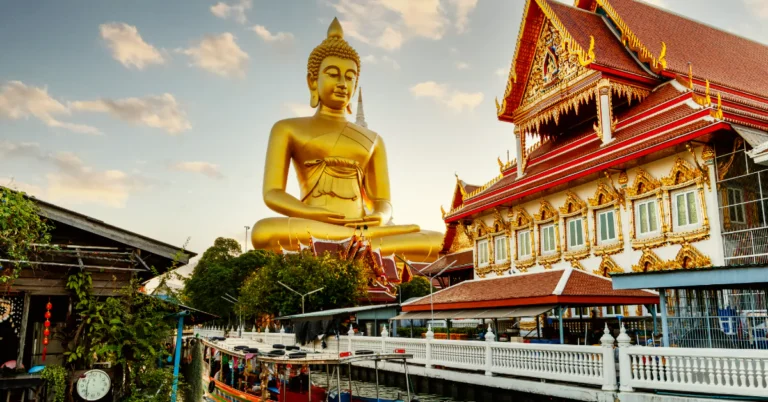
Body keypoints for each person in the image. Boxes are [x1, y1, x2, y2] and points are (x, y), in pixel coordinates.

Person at [249, 18, 443, 262]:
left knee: (438, 240)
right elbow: (273, 193)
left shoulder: (373, 139)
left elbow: (383, 201)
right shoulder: (287, 128)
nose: (342, 84)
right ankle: (352, 243)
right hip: (313, 226)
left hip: (364, 229)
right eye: (333, 74)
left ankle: (352, 242)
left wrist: (380, 217)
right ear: (313, 81)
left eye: (350, 77)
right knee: (263, 232)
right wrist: (312, 213)